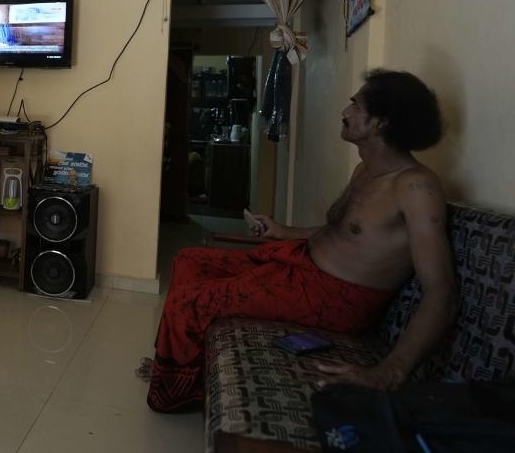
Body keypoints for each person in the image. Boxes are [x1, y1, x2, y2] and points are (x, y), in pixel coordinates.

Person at [142, 69, 458, 413]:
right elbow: (341, 231)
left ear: (380, 123)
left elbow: (441, 291)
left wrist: (389, 372)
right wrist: (283, 231)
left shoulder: (416, 188)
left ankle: (175, 388)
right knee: (189, 259)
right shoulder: (364, 170)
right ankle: (178, 362)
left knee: (191, 303)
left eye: (355, 105)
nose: (345, 111)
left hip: (333, 298)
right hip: (300, 264)